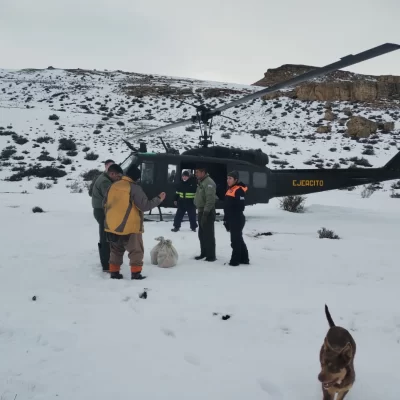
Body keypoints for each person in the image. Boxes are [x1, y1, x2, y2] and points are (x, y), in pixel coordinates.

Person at [103, 164, 166, 280]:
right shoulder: (134, 188)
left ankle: (114, 272)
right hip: (130, 226)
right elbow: (145, 205)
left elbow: (105, 203)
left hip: (112, 225)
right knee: (136, 250)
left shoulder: (113, 186)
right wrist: (159, 199)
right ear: (136, 178)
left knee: (116, 250)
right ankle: (136, 274)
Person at [90, 163, 123, 272]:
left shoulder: (104, 177)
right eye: (117, 177)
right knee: (105, 238)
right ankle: (106, 264)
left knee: (105, 236)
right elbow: (110, 197)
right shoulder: (105, 182)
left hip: (100, 210)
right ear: (112, 173)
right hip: (102, 211)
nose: (118, 179)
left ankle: (106, 261)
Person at [223, 171, 249, 266]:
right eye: (227, 178)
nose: (228, 180)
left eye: (230, 178)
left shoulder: (239, 190)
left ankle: (235, 260)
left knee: (235, 240)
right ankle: (244, 258)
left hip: (237, 218)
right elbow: (227, 206)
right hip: (231, 218)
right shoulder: (230, 189)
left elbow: (241, 206)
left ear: (236, 180)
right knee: (238, 239)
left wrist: (231, 215)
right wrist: (226, 219)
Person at [193, 165, 217, 261]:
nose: (196, 174)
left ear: (203, 172)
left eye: (197, 172)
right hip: (201, 211)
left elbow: (210, 200)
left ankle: (211, 256)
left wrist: (206, 213)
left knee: (208, 235)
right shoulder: (201, 182)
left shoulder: (209, 183)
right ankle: (204, 253)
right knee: (202, 234)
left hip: (207, 212)